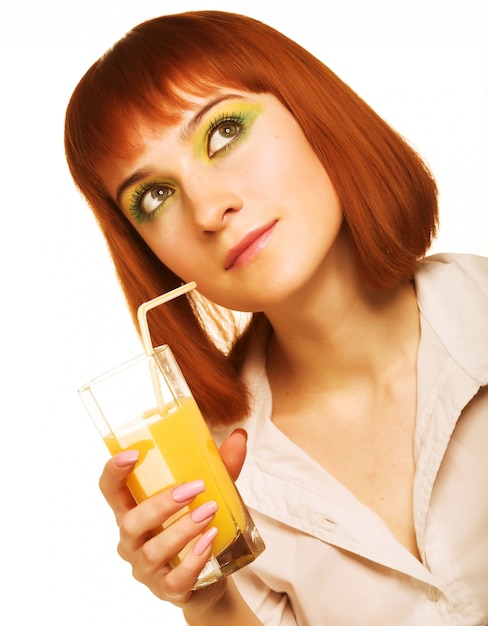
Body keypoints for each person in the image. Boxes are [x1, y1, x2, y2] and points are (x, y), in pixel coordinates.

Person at [64, 10, 488, 626]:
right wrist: (209, 600)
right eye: (153, 196)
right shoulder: (214, 486)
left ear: (311, 114)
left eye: (223, 132)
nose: (209, 209)